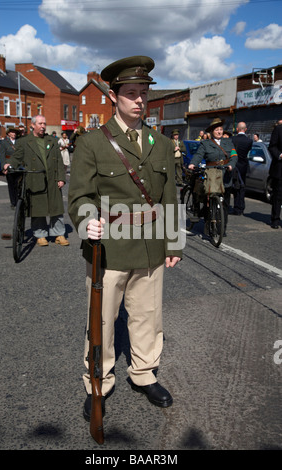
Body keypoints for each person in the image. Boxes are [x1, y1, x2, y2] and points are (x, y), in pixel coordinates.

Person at [68, 55, 182, 421]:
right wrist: (88, 222)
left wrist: (173, 242)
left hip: (150, 244)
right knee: (101, 319)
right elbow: (80, 196)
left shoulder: (161, 143)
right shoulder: (92, 143)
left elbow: (169, 196)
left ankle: (144, 373)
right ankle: (97, 380)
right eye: (131, 93)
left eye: (143, 93)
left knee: (148, 315)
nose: (139, 100)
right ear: (114, 97)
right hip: (109, 246)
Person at [3, 115, 69, 246]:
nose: (43, 126)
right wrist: (8, 165)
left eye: (44, 123)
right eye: (40, 124)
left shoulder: (52, 140)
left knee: (56, 208)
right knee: (38, 209)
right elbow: (17, 157)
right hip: (35, 178)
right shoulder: (24, 141)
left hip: (52, 178)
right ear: (32, 125)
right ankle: (40, 234)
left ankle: (59, 234)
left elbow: (59, 162)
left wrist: (61, 178)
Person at [188, 117, 238, 235]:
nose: (219, 132)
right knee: (208, 200)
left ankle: (222, 228)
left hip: (225, 175)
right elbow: (199, 155)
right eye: (217, 130)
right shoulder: (206, 143)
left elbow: (234, 156)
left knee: (225, 204)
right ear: (212, 132)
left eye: (221, 129)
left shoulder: (228, 142)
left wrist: (231, 165)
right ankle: (208, 224)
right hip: (211, 174)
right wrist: (192, 164)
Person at [231, 122, 253, 215]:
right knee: (242, 186)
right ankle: (241, 207)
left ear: (237, 129)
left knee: (235, 186)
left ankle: (236, 207)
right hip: (243, 165)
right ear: (246, 129)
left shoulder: (232, 139)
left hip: (234, 164)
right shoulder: (249, 141)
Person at [0, 127, 20, 209]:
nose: (14, 134)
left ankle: (19, 202)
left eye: (15, 132)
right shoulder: (4, 143)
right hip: (9, 166)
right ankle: (13, 202)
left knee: (18, 185)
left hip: (18, 166)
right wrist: (3, 168)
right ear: (8, 134)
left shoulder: (19, 142)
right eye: (12, 132)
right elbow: (2, 156)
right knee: (11, 186)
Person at [268, 122, 282, 229]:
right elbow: (272, 146)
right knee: (278, 195)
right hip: (280, 168)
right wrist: (280, 155)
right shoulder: (278, 129)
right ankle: (275, 219)